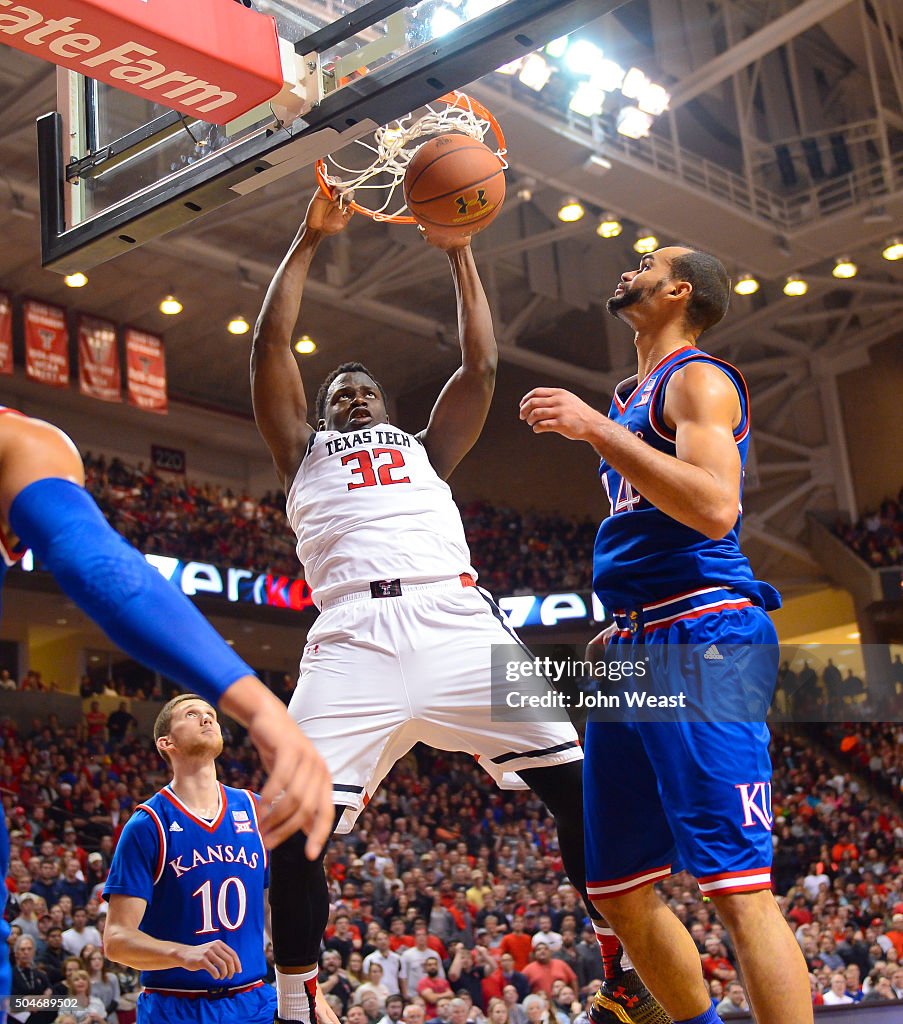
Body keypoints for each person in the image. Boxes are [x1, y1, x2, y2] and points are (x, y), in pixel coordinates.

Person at [251, 189, 662, 1024]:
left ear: (391, 411)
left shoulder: (426, 452)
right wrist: (307, 238)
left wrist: (457, 250)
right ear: (323, 413)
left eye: (367, 390)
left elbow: (479, 366)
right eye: (341, 392)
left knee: (579, 787)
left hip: (456, 624)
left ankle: (623, 968)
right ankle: (295, 1003)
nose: (356, 397)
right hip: (351, 639)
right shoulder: (300, 450)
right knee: (294, 826)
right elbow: (270, 343)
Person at [519, 245, 813, 1024]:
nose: (626, 266)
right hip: (632, 640)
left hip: (701, 629)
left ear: (679, 291)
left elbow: (716, 507)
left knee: (736, 890)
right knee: (614, 889)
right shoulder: (632, 399)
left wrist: (590, 429)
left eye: (646, 260)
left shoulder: (697, 379)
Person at [0, 406, 332, 854]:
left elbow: (98, 565)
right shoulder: (20, 441)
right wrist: (258, 707)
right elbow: (101, 568)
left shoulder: (17, 441)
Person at [101, 693, 331, 1024]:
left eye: (210, 714)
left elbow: (280, 913)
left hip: (255, 1000)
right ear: (166, 742)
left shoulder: (256, 809)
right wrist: (182, 953)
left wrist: (310, 990)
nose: (207, 718)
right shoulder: (148, 824)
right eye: (192, 715)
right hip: (175, 1005)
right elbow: (117, 940)